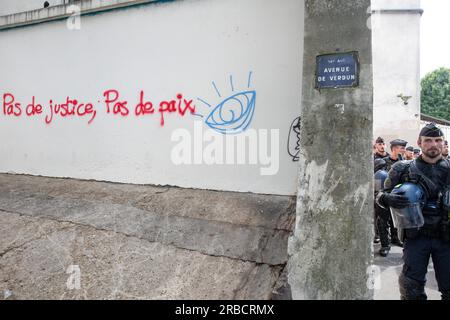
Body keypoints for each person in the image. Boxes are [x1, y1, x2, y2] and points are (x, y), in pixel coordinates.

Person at [376, 123, 450, 300]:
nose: (434, 144)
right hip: (416, 237)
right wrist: (387, 198)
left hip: (446, 238)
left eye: (438, 140)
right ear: (419, 142)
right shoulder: (402, 169)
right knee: (412, 290)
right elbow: (380, 195)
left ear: (443, 142)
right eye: (428, 140)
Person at [376, 138, 408, 254]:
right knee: (383, 220)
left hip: (397, 195)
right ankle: (385, 245)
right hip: (384, 195)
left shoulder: (405, 163)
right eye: (402, 148)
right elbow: (377, 179)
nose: (404, 150)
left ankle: (395, 238)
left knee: (396, 219)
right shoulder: (383, 162)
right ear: (394, 149)